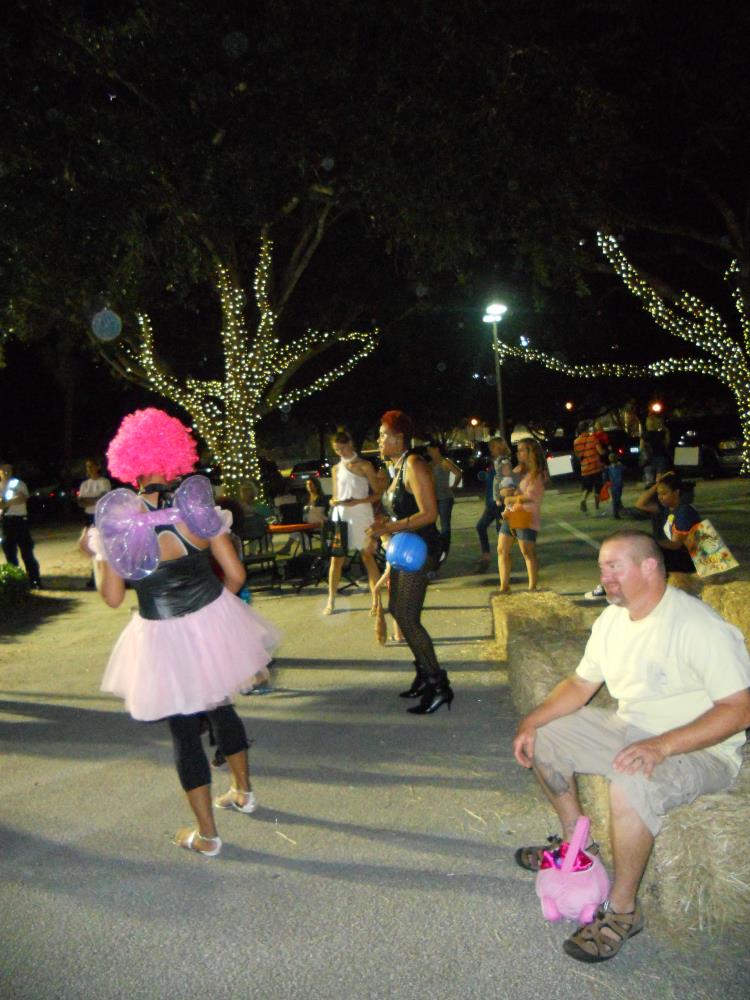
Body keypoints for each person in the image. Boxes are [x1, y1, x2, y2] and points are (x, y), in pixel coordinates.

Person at [512, 530, 750, 963]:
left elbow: (739, 710)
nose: (604, 577)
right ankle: (579, 847)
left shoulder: (699, 627)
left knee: (629, 780)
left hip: (698, 747)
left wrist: (662, 746)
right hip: (632, 728)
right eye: (601, 567)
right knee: (547, 737)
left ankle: (623, 911)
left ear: (649, 567)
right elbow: (580, 683)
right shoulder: (611, 621)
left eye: (614, 567)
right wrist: (532, 720)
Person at [85, 408, 279, 858]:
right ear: (175, 457)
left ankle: (208, 836)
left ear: (128, 463)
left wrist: (96, 556)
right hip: (209, 621)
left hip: (162, 635)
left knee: (184, 733)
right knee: (221, 705)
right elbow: (236, 575)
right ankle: (243, 792)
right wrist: (214, 613)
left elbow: (112, 597)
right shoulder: (197, 509)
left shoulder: (120, 523)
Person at [367, 410, 452, 714]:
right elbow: (401, 508)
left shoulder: (414, 464)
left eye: (383, 435)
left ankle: (438, 685)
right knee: (398, 610)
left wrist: (390, 527)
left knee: (407, 615)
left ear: (399, 437)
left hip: (422, 548)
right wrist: (382, 525)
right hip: (406, 547)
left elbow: (429, 514)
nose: (379, 441)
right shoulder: (398, 467)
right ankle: (424, 674)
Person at [325, 429, 382, 616]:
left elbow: (378, 494)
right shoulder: (336, 469)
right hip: (341, 516)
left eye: (342, 448)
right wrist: (333, 501)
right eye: (336, 450)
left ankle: (376, 601)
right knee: (336, 559)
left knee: (367, 556)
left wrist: (359, 501)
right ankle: (331, 600)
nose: (340, 452)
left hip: (361, 515)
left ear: (350, 444)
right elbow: (335, 495)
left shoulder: (364, 466)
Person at [634, 471, 700, 587]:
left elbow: (676, 545)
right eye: (658, 494)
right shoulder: (667, 509)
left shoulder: (684, 512)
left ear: (676, 492)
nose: (660, 497)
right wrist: (658, 484)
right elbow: (640, 504)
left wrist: (651, 542)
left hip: (694, 560)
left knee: (650, 553)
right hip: (682, 555)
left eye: (664, 493)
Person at [497, 437, 546, 593]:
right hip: (511, 513)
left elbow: (531, 496)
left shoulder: (537, 474)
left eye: (521, 450)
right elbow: (506, 486)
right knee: (502, 549)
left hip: (526, 515)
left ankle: (532, 587)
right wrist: (505, 492)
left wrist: (511, 498)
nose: (518, 453)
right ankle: (504, 586)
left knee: (527, 552)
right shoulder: (518, 470)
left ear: (530, 452)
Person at [0, 462, 42, 589]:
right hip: (5, 522)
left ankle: (35, 580)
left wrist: (6, 504)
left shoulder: (18, 484)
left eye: (9, 470)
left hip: (20, 521)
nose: (6, 472)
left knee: (27, 553)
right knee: (10, 554)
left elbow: (22, 498)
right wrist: (11, 502)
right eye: (3, 470)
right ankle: (17, 583)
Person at [475, 438, 513, 573]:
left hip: (499, 503)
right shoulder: (495, 462)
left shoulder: (504, 462)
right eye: (490, 447)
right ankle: (487, 555)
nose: (491, 450)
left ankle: (504, 559)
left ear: (500, 447)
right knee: (481, 526)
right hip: (492, 503)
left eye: (493, 447)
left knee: (501, 531)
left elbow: (508, 482)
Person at [425, 440, 463, 563]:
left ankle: (444, 549)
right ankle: (438, 546)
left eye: (430, 450)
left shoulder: (444, 462)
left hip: (445, 497)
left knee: (445, 525)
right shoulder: (430, 464)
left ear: (436, 449)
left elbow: (458, 473)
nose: (429, 453)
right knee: (431, 523)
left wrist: (453, 486)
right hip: (433, 497)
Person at [77, 458, 111, 588]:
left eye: (91, 466)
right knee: (90, 546)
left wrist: (89, 500)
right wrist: (94, 500)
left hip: (101, 516)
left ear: (98, 467)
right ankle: (95, 574)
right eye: (87, 466)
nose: (89, 469)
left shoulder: (104, 482)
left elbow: (103, 499)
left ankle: (108, 574)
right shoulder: (85, 484)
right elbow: (81, 502)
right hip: (89, 516)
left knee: (103, 546)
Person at [573, 421, 606, 513]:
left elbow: (578, 456)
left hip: (585, 469)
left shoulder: (576, 441)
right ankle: (597, 506)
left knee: (587, 488)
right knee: (598, 487)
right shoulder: (593, 438)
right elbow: (600, 451)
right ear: (587, 428)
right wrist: (606, 452)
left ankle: (583, 500)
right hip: (596, 467)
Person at [603, 451, 625, 520]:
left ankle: (617, 512)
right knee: (617, 499)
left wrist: (606, 482)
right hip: (618, 485)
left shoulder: (608, 468)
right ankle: (617, 512)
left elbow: (605, 476)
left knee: (615, 499)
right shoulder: (620, 467)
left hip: (613, 485)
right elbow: (625, 471)